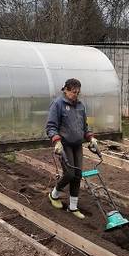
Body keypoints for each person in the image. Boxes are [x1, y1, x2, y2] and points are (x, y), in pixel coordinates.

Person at [46, 78, 97, 219]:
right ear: (66, 90)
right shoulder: (58, 104)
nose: (76, 95)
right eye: (74, 92)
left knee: (78, 175)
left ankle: (73, 207)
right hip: (64, 145)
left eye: (78, 92)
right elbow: (51, 126)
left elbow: (84, 126)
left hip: (77, 145)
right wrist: (56, 141)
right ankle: (53, 195)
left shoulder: (80, 106)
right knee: (69, 174)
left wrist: (91, 138)